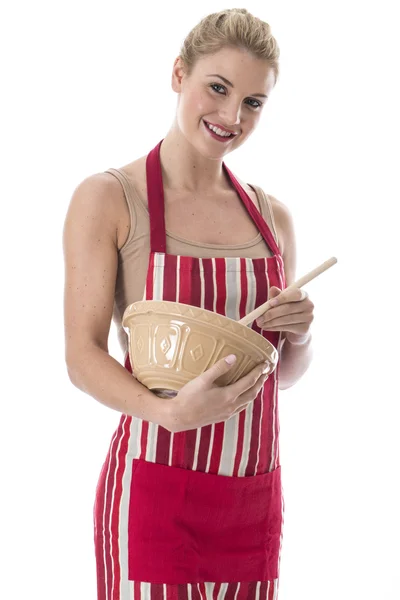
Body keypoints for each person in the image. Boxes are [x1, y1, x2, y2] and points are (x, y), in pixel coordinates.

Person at [63, 8, 314, 600]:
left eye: (253, 102)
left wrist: (300, 335)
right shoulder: (110, 198)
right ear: (179, 73)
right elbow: (81, 356)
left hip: (251, 495)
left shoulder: (273, 217)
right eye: (218, 88)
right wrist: (170, 414)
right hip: (154, 492)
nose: (232, 117)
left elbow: (281, 376)